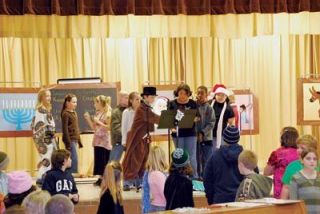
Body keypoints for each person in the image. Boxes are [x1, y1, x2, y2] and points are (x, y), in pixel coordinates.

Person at [122, 87, 160, 190]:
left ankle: (139, 182)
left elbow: (153, 118)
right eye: (151, 97)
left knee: (143, 160)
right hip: (137, 138)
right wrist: (168, 119)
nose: (153, 99)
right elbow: (154, 118)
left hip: (144, 138)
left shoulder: (146, 108)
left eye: (154, 97)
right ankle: (127, 182)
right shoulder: (142, 109)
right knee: (134, 160)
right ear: (146, 97)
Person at [203, 125, 243, 204]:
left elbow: (207, 179)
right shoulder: (245, 156)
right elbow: (253, 176)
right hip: (240, 200)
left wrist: (210, 199)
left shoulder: (214, 156)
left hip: (219, 199)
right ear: (238, 139)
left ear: (224, 138)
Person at [168, 83, 199, 178]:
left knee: (191, 156)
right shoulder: (172, 103)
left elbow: (198, 117)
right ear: (177, 93)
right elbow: (168, 118)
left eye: (185, 93)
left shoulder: (193, 103)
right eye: (181, 93)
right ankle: (180, 176)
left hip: (190, 133)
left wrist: (190, 119)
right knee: (179, 155)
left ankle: (194, 177)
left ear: (188, 94)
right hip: (177, 133)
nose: (183, 96)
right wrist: (171, 127)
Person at [263, 127, 299, 198]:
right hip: (297, 190)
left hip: (280, 191)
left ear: (282, 138)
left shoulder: (276, 154)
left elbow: (266, 172)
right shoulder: (301, 153)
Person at [84, 95, 112, 186]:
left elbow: (109, 128)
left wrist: (99, 122)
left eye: (96, 102)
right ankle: (100, 178)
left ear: (100, 103)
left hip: (105, 142)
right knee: (99, 160)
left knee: (104, 160)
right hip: (97, 141)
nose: (94, 104)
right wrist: (88, 119)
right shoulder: (98, 113)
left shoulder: (108, 113)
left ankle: (105, 179)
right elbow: (94, 127)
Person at [31, 88, 57, 184]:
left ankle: (44, 177)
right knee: (46, 157)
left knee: (48, 157)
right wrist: (50, 135)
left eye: (50, 96)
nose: (49, 98)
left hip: (47, 138)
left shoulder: (45, 109)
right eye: (47, 96)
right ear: (42, 97)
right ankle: (42, 177)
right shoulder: (41, 110)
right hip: (44, 139)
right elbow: (39, 126)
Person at [281, 135, 320, 199]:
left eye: (302, 148)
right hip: (298, 205)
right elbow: (286, 188)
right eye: (298, 147)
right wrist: (282, 206)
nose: (298, 150)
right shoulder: (292, 166)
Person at [289, 148, 320, 214]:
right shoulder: (295, 178)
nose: (312, 161)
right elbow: (293, 203)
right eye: (308, 158)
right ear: (302, 160)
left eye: (315, 159)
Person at [195, 86, 215, 179]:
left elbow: (211, 123)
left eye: (202, 93)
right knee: (196, 159)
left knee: (207, 160)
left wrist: (202, 133)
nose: (200, 95)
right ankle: (197, 177)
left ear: (206, 94)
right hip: (195, 138)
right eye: (198, 93)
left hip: (207, 138)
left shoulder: (210, 108)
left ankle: (206, 178)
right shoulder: (193, 106)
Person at [142, 146, 168, 213]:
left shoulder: (151, 173)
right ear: (161, 158)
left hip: (157, 206)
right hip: (161, 208)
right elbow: (165, 194)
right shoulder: (158, 175)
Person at [61, 93, 83, 174]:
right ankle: (72, 175)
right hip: (70, 140)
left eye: (76, 102)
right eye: (73, 102)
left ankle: (69, 174)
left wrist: (80, 141)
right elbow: (65, 129)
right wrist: (68, 143)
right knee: (74, 158)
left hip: (75, 139)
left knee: (71, 158)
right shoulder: (65, 114)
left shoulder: (74, 113)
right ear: (67, 103)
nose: (75, 104)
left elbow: (76, 128)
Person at [209, 84, 235, 150]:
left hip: (221, 136)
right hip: (208, 135)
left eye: (223, 95)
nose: (220, 97)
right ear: (215, 95)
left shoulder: (229, 108)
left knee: (220, 154)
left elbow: (231, 124)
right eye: (219, 95)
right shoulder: (209, 104)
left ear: (226, 96)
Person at [109, 91, 129, 162]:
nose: (128, 100)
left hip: (128, 142)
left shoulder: (130, 110)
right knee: (113, 164)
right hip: (118, 142)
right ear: (120, 98)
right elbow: (116, 128)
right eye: (126, 98)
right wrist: (128, 135)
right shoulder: (116, 112)